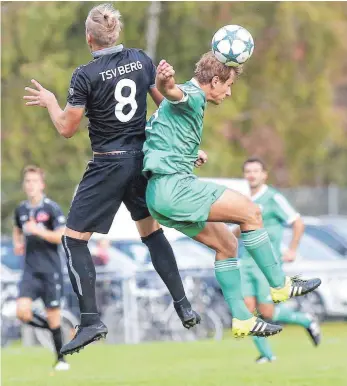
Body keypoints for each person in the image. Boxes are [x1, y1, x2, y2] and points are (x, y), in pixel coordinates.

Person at [23, 3, 199, 355]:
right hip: (140, 161)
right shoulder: (142, 59)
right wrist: (185, 144)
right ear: (115, 32)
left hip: (107, 164)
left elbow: (67, 129)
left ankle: (90, 320)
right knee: (151, 234)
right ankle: (183, 305)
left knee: (73, 241)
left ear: (90, 37)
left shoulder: (84, 75)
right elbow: (166, 106)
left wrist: (51, 101)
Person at [142, 53, 322, 338]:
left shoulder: (180, 106)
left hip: (157, 196)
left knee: (227, 243)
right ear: (214, 81)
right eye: (228, 85)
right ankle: (280, 285)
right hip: (175, 188)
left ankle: (241, 319)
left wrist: (190, 154)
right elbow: (174, 94)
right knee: (251, 212)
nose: (228, 92)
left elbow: (168, 115)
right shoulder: (193, 95)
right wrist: (165, 84)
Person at [239, 157, 321, 363]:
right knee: (247, 311)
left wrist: (292, 249)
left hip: (267, 265)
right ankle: (267, 355)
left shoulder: (273, 198)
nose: (251, 175)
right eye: (248, 171)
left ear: (264, 174)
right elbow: (241, 228)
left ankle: (305, 319)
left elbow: (297, 222)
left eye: (256, 171)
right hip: (246, 262)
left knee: (266, 311)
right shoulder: (243, 200)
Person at [13, 165, 69, 371]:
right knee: (21, 312)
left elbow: (60, 236)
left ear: (42, 184)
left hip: (50, 270)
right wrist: (17, 243)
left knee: (53, 314)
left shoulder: (51, 208)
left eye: (34, 181)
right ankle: (53, 330)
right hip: (30, 270)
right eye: (27, 181)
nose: (30, 185)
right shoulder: (21, 209)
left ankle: (61, 360)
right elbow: (17, 229)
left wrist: (38, 231)